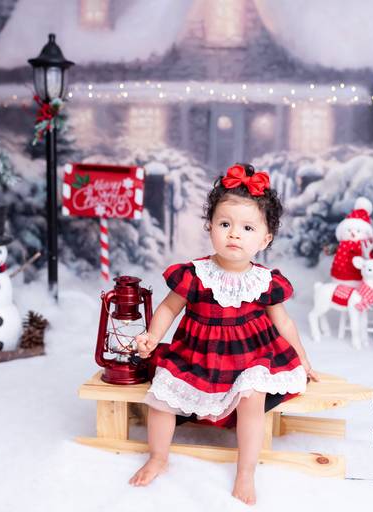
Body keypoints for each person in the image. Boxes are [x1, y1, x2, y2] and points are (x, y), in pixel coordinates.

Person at [129, 163, 318, 505]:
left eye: (247, 228)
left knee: (252, 396)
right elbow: (169, 308)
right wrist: (152, 337)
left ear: (265, 239)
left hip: (250, 357)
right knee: (163, 393)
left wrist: (302, 358)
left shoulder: (264, 281)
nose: (234, 234)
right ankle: (158, 456)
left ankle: (246, 471)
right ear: (210, 227)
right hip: (197, 355)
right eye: (225, 224)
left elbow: (285, 323)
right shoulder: (196, 274)